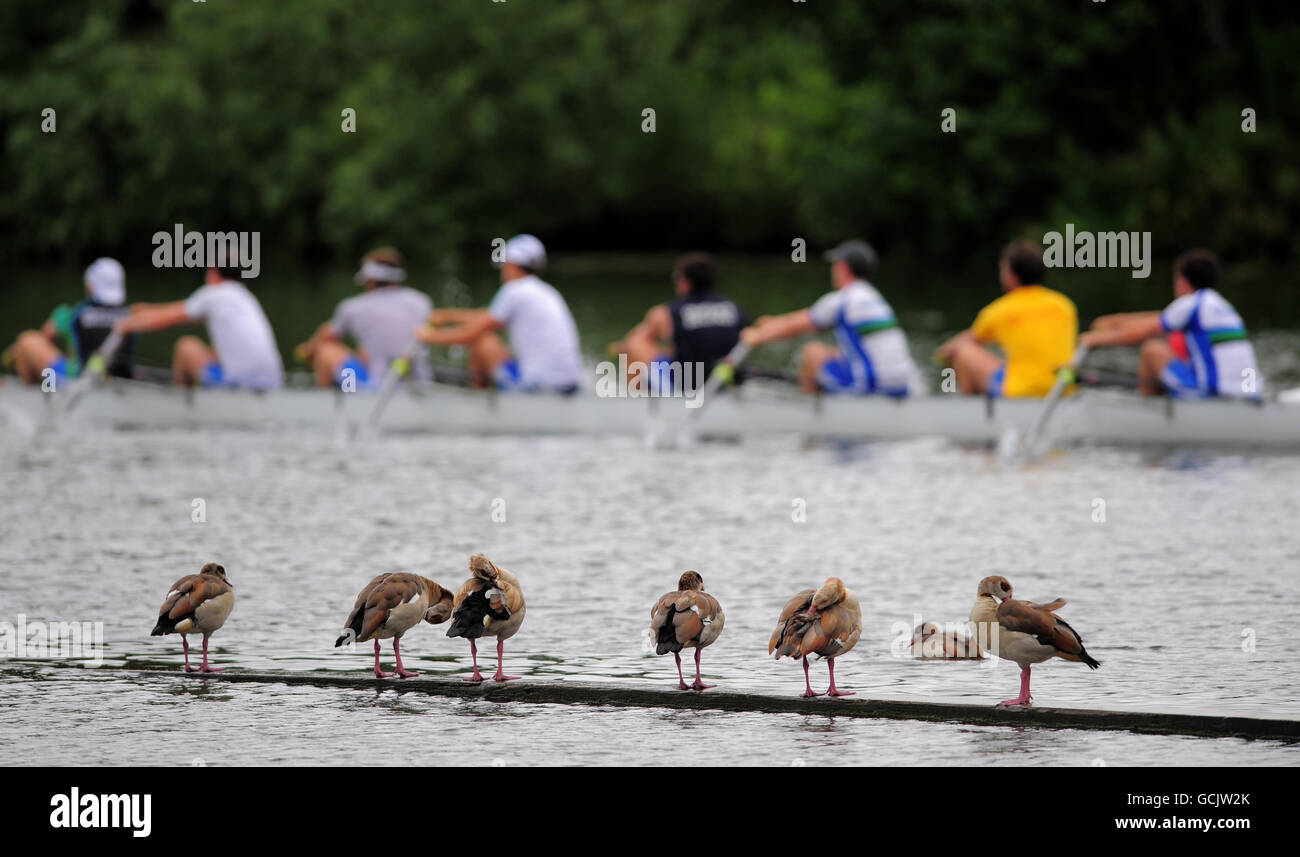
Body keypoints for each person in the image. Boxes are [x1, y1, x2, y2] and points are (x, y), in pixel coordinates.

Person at [739, 239, 918, 396]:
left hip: (872, 386)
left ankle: (814, 416)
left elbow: (793, 327)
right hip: (901, 385)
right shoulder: (876, 299)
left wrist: (757, 335)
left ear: (843, 268)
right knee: (835, 353)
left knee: (812, 352)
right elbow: (794, 321)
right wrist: (773, 323)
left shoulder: (843, 299)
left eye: (835, 265)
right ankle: (830, 398)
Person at [1080, 249, 1261, 399]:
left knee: (1152, 350)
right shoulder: (1221, 306)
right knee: (1178, 354)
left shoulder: (1190, 304)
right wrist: (1113, 322)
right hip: (1250, 393)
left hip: (1213, 395)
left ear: (1182, 281)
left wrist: (1093, 340)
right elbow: (1157, 318)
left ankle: (1149, 413)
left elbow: (1141, 332)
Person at [417, 234, 583, 393]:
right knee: (487, 336)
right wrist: (448, 316)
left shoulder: (513, 290)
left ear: (512, 264)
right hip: (570, 385)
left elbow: (469, 334)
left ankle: (478, 403)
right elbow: (487, 316)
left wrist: (426, 337)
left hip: (538, 386)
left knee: (480, 340)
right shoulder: (547, 291)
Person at [935, 240, 1077, 397]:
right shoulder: (1064, 306)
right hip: (1062, 390)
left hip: (1019, 393)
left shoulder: (1000, 310)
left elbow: (966, 341)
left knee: (961, 352)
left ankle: (972, 413)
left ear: (1012, 277)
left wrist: (940, 355)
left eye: (1003, 269)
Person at [115, 265, 283, 389]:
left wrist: (126, 325)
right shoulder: (246, 298)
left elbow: (163, 319)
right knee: (212, 352)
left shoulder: (213, 294)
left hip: (237, 384)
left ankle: (183, 406)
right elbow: (170, 311)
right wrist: (140, 310)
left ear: (214, 272)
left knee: (187, 346)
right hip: (274, 382)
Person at [607, 252, 746, 391]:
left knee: (634, 344)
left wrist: (620, 348)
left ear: (685, 283)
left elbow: (636, 341)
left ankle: (639, 400)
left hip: (687, 383)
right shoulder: (735, 308)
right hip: (727, 377)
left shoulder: (666, 312)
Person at [296, 247, 432, 389]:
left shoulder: (352, 307)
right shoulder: (421, 301)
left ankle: (338, 402)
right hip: (419, 384)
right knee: (364, 353)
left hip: (375, 388)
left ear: (370, 279)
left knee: (325, 351)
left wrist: (309, 349)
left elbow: (326, 336)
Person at [4, 258, 136, 385]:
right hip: (118, 376)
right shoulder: (130, 315)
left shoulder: (78, 313)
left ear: (90, 286)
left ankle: (30, 389)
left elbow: (46, 335)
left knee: (27, 340)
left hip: (77, 379)